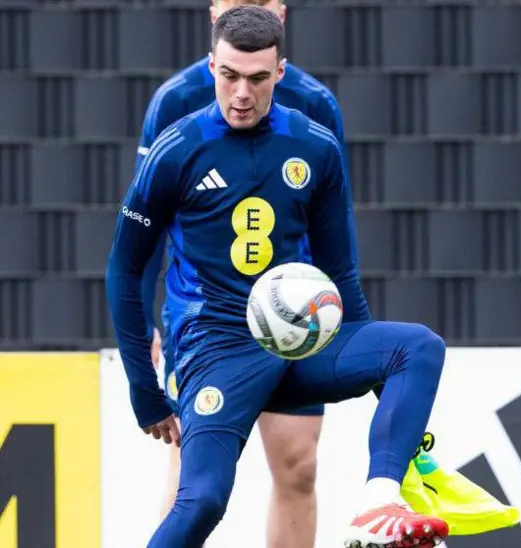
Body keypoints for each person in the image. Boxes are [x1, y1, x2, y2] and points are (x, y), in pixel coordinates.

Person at [107, 6, 450, 547]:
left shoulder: (315, 144)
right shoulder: (176, 147)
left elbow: (340, 269)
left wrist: (368, 367)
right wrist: (143, 390)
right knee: (202, 501)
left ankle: (379, 499)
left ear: (280, 73)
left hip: (299, 337)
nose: (241, 92)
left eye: (258, 78)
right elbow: (125, 269)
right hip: (215, 347)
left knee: (418, 348)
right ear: (212, 64)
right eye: (229, 76)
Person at [134, 3, 344, 545]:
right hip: (201, 317)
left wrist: (336, 316)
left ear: (282, 10)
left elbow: (330, 226)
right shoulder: (175, 102)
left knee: (298, 466)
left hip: (290, 316)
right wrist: (143, 325)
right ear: (212, 10)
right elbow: (143, 228)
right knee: (192, 474)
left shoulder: (316, 104)